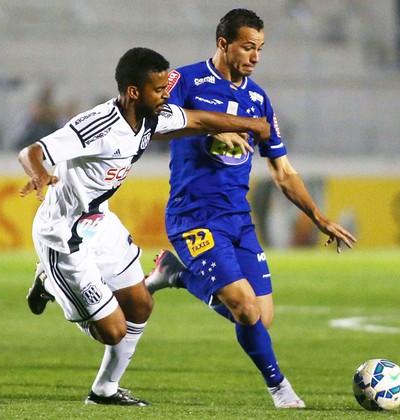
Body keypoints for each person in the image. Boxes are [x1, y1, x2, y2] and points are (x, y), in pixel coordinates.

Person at [20, 47, 270, 406]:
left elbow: (198, 120)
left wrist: (251, 125)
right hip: (63, 235)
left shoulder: (152, 116)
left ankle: (104, 391)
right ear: (134, 92)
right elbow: (31, 151)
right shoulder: (97, 125)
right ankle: (49, 281)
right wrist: (40, 173)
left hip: (99, 223)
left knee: (140, 306)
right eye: (158, 89)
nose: (166, 94)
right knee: (113, 331)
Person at [143, 8, 356, 409]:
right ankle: (281, 389)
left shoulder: (259, 100)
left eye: (260, 48)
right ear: (223, 44)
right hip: (194, 215)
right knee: (243, 305)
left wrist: (319, 217)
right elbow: (153, 123)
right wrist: (214, 129)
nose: (255, 56)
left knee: (261, 316)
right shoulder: (186, 79)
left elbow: (283, 171)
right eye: (247, 47)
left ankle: (175, 274)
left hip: (239, 220)